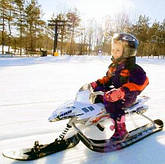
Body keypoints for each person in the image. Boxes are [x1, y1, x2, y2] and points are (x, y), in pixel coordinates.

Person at [90, 33, 149, 142]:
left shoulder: (134, 69)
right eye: (113, 49)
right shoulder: (114, 67)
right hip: (115, 92)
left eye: (118, 50)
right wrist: (97, 84)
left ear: (127, 52)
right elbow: (107, 78)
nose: (114, 52)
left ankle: (121, 130)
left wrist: (123, 91)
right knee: (97, 94)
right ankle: (99, 118)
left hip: (127, 96)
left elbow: (143, 82)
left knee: (113, 103)